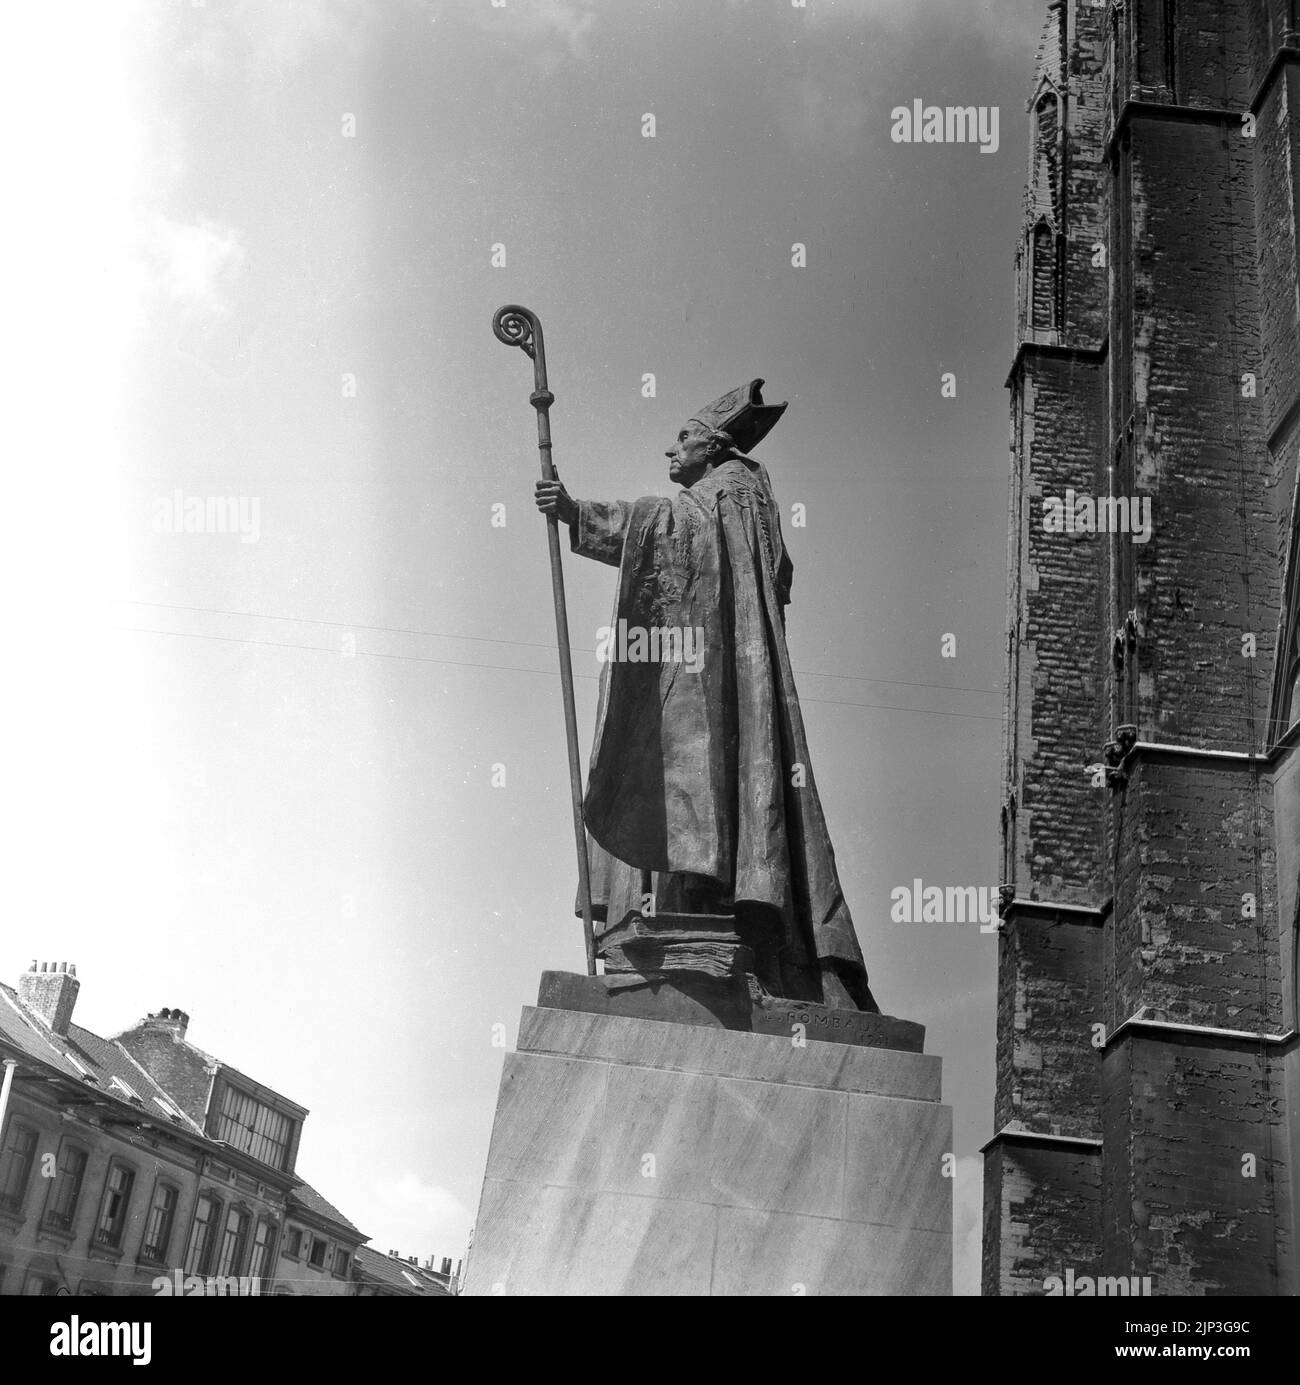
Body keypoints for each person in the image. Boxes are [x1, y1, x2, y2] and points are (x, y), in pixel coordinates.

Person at [535, 380, 877, 1012]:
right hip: (710, 675)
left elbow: (674, 532)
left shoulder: (727, 494)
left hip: (718, 682)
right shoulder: (724, 498)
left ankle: (711, 920)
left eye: (684, 438)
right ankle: (689, 911)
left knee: (709, 778)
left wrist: (575, 510)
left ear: (715, 447)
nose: (672, 448)